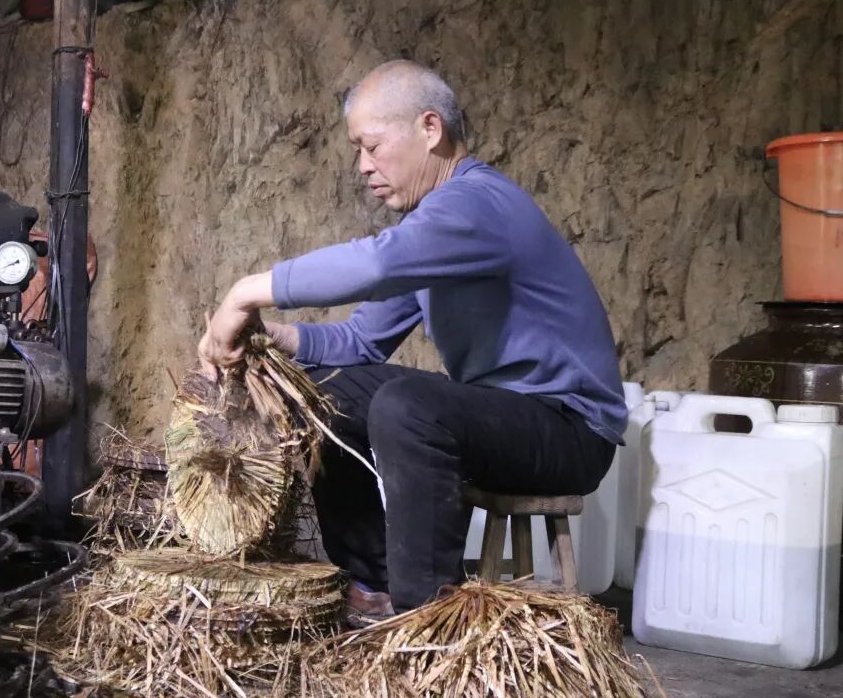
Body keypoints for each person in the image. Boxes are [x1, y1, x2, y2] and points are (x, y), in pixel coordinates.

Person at [198, 60, 627, 620]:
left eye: (372, 146)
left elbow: (377, 265)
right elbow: (362, 340)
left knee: (408, 406)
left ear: (430, 128)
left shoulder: (477, 205)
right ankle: (371, 584)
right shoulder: (433, 230)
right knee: (325, 393)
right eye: (358, 150)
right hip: (502, 417)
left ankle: (425, 616)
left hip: (569, 430)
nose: (363, 165)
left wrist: (245, 293)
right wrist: (273, 337)